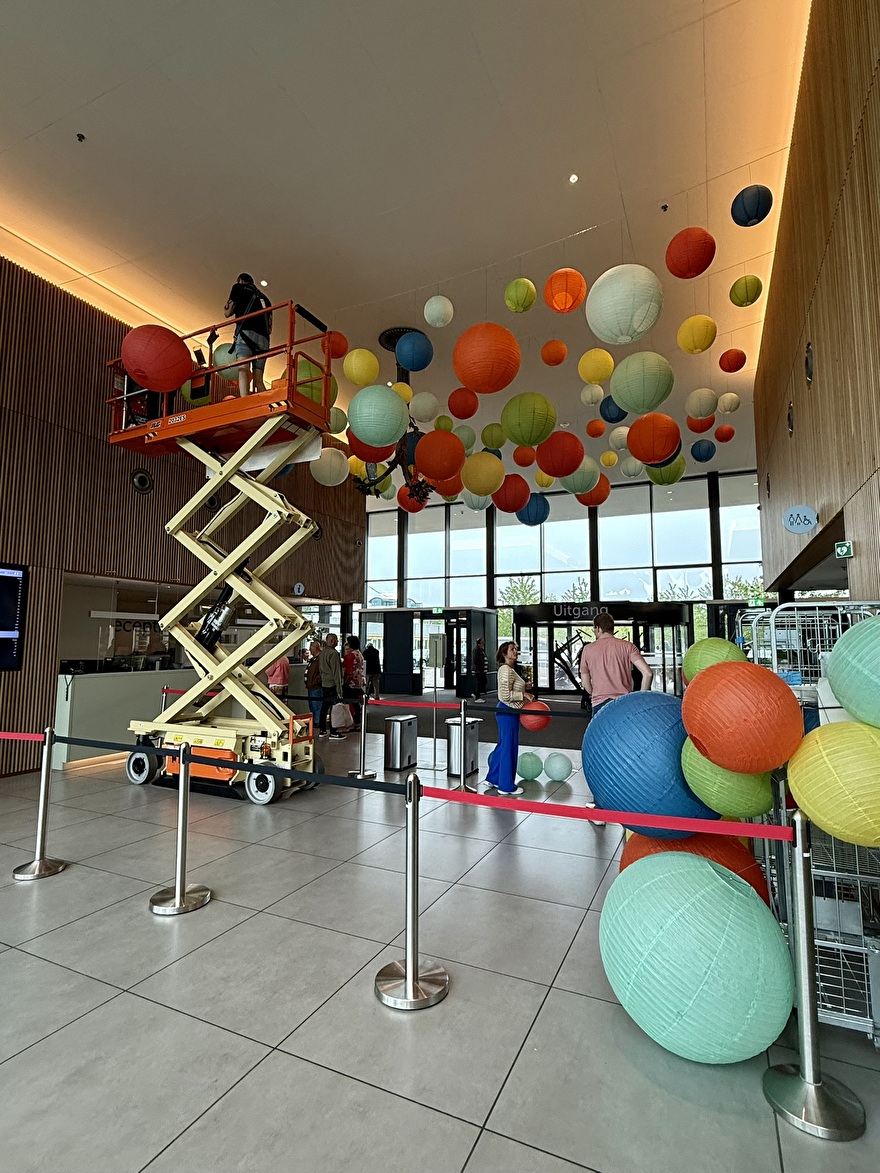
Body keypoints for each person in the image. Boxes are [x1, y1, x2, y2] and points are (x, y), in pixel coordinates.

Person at [579, 613, 654, 718]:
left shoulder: (587, 650)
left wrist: (595, 693)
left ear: (598, 628)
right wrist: (641, 697)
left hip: (599, 704)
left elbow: (585, 682)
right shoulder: (628, 646)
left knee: (600, 729)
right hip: (623, 703)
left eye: (594, 629)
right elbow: (648, 673)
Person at [484, 641, 533, 797]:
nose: (515, 651)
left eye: (516, 649)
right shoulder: (505, 669)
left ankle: (493, 778)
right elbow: (504, 695)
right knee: (508, 747)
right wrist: (523, 694)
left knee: (503, 745)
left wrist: (525, 686)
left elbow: (510, 688)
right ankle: (505, 786)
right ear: (504, 653)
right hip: (507, 710)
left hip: (508, 711)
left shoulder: (510, 670)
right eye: (512, 649)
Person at [223, 273, 273, 397]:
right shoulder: (266, 300)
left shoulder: (238, 288)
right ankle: (267, 404)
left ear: (240, 280)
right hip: (263, 340)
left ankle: (244, 401)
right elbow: (270, 329)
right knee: (259, 380)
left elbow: (227, 313)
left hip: (245, 334)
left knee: (243, 370)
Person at [317, 633, 345, 739]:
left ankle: (322, 729)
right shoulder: (334, 654)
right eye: (336, 640)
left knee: (324, 707)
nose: (337, 642)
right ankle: (333, 731)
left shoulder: (322, 653)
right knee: (334, 708)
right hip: (332, 684)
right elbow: (336, 673)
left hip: (324, 683)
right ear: (332, 641)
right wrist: (339, 690)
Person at [342, 634, 366, 731]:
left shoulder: (350, 656)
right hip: (358, 681)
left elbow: (348, 671)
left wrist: (344, 681)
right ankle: (358, 721)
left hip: (350, 682)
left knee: (350, 703)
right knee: (356, 704)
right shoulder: (359, 654)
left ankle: (351, 722)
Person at [305, 639, 323, 732]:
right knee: (312, 705)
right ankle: (314, 720)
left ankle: (317, 721)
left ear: (315, 648)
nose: (310, 650)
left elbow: (321, 673)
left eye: (311, 648)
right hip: (311, 685)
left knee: (317, 704)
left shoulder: (320, 659)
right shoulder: (313, 659)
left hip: (316, 686)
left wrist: (315, 682)